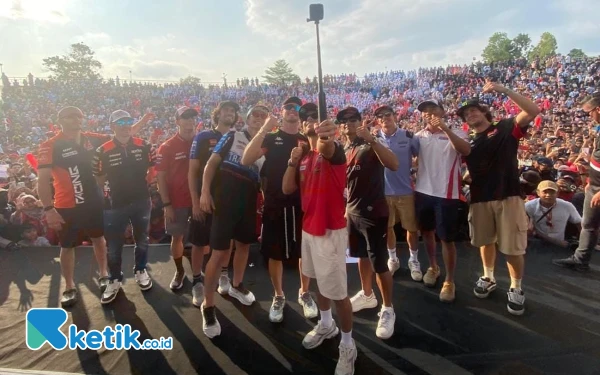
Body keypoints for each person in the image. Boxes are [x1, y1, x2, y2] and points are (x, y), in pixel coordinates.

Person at [460, 79, 541, 316]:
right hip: (480, 198)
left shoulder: (505, 127)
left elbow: (533, 111)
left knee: (513, 247)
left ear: (484, 111)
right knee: (485, 241)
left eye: (474, 109)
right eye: (466, 113)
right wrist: (468, 175)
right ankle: (488, 276)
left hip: (508, 195)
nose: (470, 114)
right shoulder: (469, 142)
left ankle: (516, 287)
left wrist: (504, 90)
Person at [282, 118, 357, 375]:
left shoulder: (331, 153)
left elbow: (329, 149)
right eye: (306, 117)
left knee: (338, 293)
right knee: (319, 283)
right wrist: (293, 160)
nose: (311, 120)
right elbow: (287, 187)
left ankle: (348, 345)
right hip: (309, 228)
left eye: (316, 115)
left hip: (330, 230)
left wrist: (327, 137)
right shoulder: (304, 157)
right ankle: (327, 325)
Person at [241, 97, 317, 323]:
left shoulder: (306, 139)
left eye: (297, 108)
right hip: (275, 202)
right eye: (289, 107)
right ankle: (279, 296)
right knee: (274, 252)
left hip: (302, 203)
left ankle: (304, 293)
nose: (293, 111)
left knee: (304, 251)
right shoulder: (272, 138)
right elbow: (246, 159)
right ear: (281, 112)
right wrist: (265, 127)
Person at [199, 101, 262, 337]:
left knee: (244, 245)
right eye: (254, 114)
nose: (258, 118)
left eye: (263, 116)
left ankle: (236, 286)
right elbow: (211, 163)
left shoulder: (265, 144)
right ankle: (208, 304)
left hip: (247, 204)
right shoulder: (233, 136)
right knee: (220, 253)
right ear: (246, 119)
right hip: (225, 203)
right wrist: (205, 192)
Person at [37, 106, 110, 307]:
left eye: (79, 115)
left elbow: (121, 136)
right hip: (66, 204)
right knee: (67, 246)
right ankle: (69, 286)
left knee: (98, 238)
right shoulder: (50, 145)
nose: (76, 119)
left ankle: (104, 274)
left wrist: (140, 122)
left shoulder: (92, 138)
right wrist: (48, 209)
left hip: (93, 201)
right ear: (60, 119)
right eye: (71, 116)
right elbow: (42, 181)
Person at [339, 107, 399, 339]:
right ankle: (367, 294)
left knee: (380, 264)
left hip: (374, 213)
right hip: (352, 213)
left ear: (361, 122)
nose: (349, 124)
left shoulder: (369, 144)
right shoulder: (344, 149)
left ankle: (388, 308)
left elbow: (393, 164)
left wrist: (372, 139)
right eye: (344, 121)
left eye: (354, 119)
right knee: (361, 257)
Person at [92, 110, 156, 304]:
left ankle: (140, 270)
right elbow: (99, 180)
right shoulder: (102, 150)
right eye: (120, 122)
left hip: (141, 201)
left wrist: (149, 185)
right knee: (113, 245)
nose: (125, 125)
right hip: (114, 205)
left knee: (142, 239)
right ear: (112, 126)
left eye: (129, 121)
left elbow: (153, 167)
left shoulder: (144, 145)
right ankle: (114, 279)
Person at [414, 99, 471, 303]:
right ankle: (433, 266)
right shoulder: (418, 136)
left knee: (447, 239)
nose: (428, 113)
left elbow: (465, 150)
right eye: (425, 111)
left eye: (432, 109)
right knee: (427, 232)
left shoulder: (457, 133)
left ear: (442, 112)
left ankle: (449, 280)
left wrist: (445, 128)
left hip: (447, 195)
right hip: (422, 192)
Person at [188, 102, 240, 307]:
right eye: (226, 110)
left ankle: (224, 275)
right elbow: (192, 171)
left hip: (228, 201)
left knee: (228, 241)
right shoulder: (202, 137)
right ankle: (196, 280)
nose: (230, 113)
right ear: (217, 114)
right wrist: (195, 200)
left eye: (233, 111)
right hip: (205, 199)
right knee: (200, 242)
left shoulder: (238, 137)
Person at [554, 92, 600, 271]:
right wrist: (590, 180)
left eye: (590, 112)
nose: (589, 116)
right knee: (588, 224)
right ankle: (581, 260)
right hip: (594, 186)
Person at [375, 105, 422, 280]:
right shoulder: (374, 138)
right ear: (377, 120)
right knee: (388, 228)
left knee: (411, 228)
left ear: (394, 116)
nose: (384, 118)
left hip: (406, 190)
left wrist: (414, 170)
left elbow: (420, 156)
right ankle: (393, 258)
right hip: (384, 192)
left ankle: (414, 260)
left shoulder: (409, 136)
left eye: (387, 114)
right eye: (381, 116)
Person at [155, 107, 197, 290]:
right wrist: (166, 204)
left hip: (199, 201)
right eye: (185, 117)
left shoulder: (201, 141)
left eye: (192, 117)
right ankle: (180, 271)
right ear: (177, 121)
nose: (189, 121)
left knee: (201, 240)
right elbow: (160, 178)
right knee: (177, 238)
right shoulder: (167, 146)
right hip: (177, 202)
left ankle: (198, 274)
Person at [526, 180, 581, 248]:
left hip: (560, 246)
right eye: (545, 192)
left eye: (552, 192)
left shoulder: (567, 206)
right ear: (538, 193)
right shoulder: (528, 206)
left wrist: (585, 243)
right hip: (537, 244)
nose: (548, 195)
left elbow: (579, 224)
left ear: (557, 193)